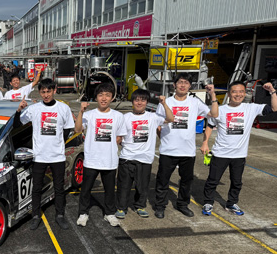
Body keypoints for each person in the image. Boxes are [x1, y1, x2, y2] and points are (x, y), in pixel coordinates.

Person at [200, 81, 277, 216]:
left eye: (241, 91)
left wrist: (272, 91)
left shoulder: (251, 108)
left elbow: (275, 108)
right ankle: (208, 202)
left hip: (239, 154)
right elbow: (209, 125)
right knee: (212, 180)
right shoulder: (220, 110)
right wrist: (205, 143)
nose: (238, 94)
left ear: (245, 93)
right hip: (220, 153)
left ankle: (231, 203)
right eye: (235, 91)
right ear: (229, 94)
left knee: (237, 182)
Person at [153, 74, 219, 218]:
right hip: (168, 150)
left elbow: (214, 114)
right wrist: (164, 139)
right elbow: (158, 124)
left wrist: (212, 94)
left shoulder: (195, 102)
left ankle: (182, 204)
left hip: (187, 151)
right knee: (162, 180)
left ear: (190, 86)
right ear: (174, 85)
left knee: (186, 181)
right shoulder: (166, 102)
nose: (183, 85)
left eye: (186, 83)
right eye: (180, 82)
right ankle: (160, 206)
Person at [17, 78, 75, 230]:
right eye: (43, 92)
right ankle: (35, 216)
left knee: (59, 188)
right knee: (36, 188)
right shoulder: (34, 108)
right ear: (39, 92)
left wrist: (58, 144)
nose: (46, 94)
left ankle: (60, 215)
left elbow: (68, 128)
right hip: (39, 156)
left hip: (57, 156)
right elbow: (19, 122)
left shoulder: (63, 108)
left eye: (49, 91)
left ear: (54, 90)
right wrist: (19, 110)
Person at [115, 90, 174, 219]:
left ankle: (140, 206)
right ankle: (121, 208)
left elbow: (171, 118)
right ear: (132, 102)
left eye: (143, 100)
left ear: (147, 102)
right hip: (127, 157)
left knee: (142, 186)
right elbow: (118, 136)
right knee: (123, 186)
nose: (139, 103)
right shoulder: (125, 117)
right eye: (136, 100)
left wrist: (164, 104)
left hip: (145, 158)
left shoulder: (153, 117)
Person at [75, 82, 126, 227]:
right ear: (96, 97)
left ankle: (109, 213)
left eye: (107, 95)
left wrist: (108, 147)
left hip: (109, 160)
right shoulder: (89, 115)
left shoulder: (118, 116)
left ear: (112, 98)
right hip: (91, 159)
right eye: (101, 95)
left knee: (109, 190)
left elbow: (120, 136)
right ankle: (83, 213)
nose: (104, 98)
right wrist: (81, 112)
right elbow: (77, 129)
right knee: (86, 189)